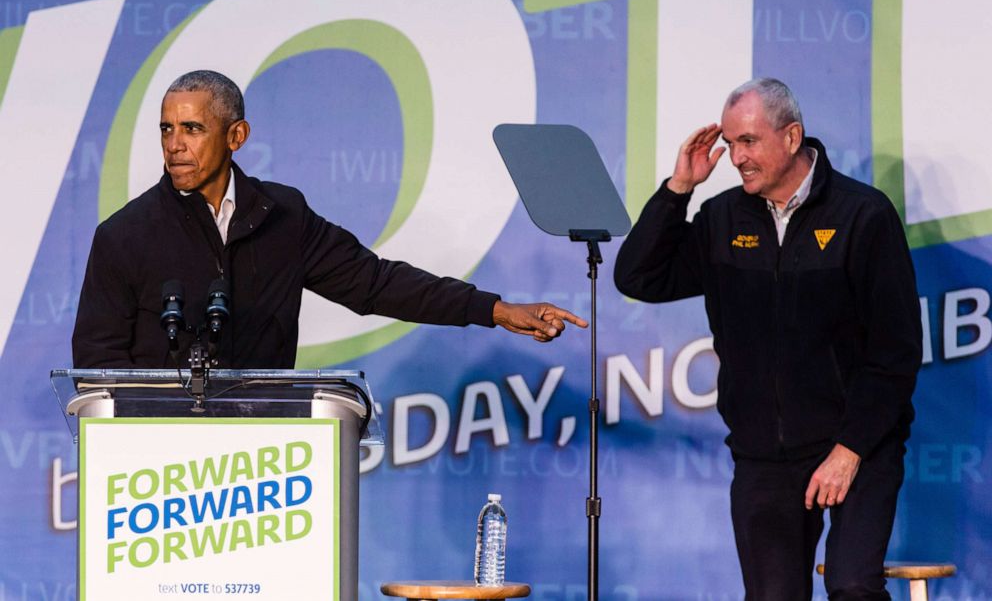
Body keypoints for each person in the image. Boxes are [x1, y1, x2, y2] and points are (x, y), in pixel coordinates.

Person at [614, 78, 921, 600]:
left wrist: (849, 449)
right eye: (730, 143)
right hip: (764, 456)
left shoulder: (861, 215)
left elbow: (895, 352)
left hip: (856, 446)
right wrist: (678, 190)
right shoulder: (721, 218)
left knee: (852, 587)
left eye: (748, 142)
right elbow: (637, 277)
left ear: (793, 136)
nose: (736, 158)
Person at [72, 70, 586, 369]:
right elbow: (96, 368)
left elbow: (376, 284)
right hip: (155, 474)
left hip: (261, 467)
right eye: (166, 129)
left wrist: (494, 309)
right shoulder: (124, 236)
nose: (174, 145)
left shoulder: (282, 216)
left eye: (191, 128)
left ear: (235, 136)